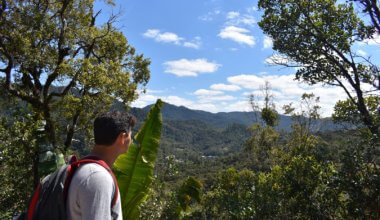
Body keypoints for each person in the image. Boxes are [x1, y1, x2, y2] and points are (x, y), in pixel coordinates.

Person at [66, 111, 136, 220]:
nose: (131, 140)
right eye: (131, 135)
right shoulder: (97, 177)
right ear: (122, 138)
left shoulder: (86, 168)